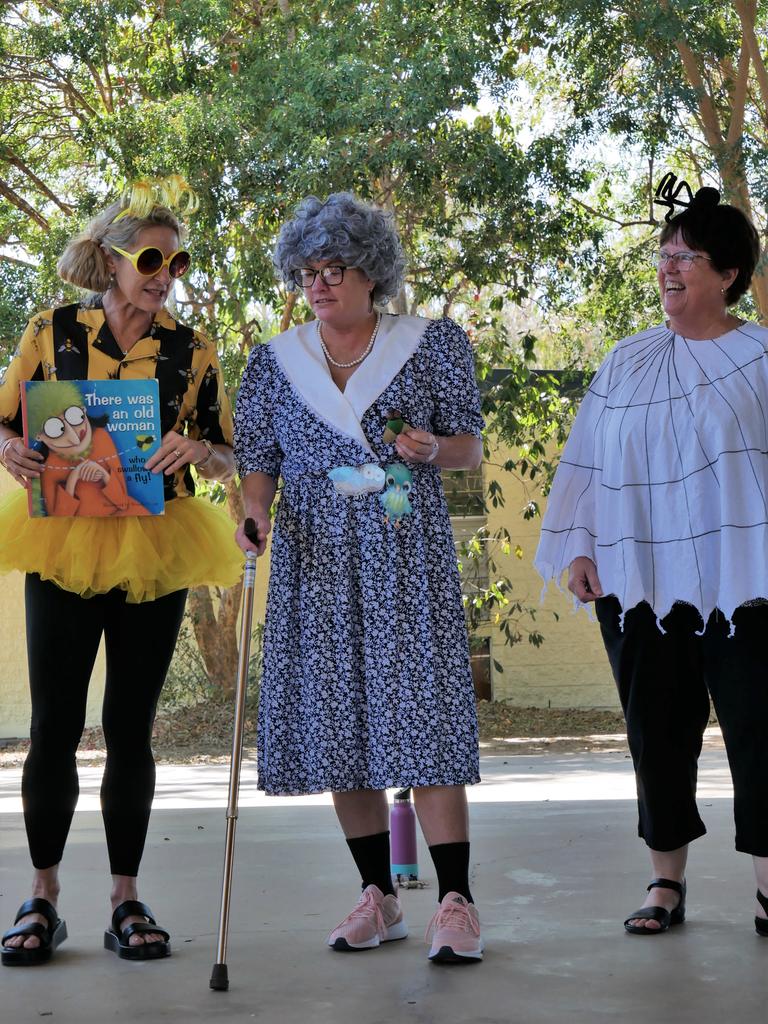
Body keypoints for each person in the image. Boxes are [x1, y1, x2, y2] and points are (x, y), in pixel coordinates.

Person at [234, 193, 485, 963]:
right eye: (307, 272)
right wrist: (253, 512)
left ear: (370, 272)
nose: (318, 285)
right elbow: (257, 464)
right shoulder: (274, 363)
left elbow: (468, 449)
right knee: (339, 721)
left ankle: (455, 901)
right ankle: (378, 897)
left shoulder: (432, 344)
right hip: (314, 559)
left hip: (404, 553)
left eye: (333, 270)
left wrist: (427, 450)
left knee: (424, 716)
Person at [0, 177, 243, 966]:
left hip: (156, 544)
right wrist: (10, 450)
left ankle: (125, 897)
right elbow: (4, 422)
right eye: (149, 257)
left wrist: (199, 451)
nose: (164, 272)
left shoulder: (190, 348)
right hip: (65, 542)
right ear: (111, 259)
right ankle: (42, 897)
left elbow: (229, 450)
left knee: (131, 728)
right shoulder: (52, 329)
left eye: (174, 260)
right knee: (53, 727)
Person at [535, 178, 768, 936]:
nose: (669, 268)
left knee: (764, 734)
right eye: (664, 254)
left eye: (688, 257)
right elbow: (587, 465)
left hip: (748, 586)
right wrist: (576, 546)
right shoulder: (627, 361)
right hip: (640, 585)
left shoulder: (763, 357)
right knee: (656, 735)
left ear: (729, 273)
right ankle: (665, 882)